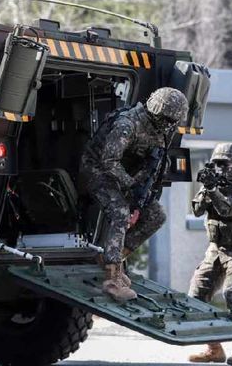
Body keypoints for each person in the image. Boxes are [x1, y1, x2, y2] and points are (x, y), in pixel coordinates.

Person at [79, 87, 188, 303]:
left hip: (124, 177)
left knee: (157, 214)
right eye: (168, 119)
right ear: (158, 114)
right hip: (96, 171)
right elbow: (108, 162)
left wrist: (141, 197)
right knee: (120, 212)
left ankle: (113, 258)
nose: (171, 124)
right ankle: (112, 280)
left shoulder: (160, 131)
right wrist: (131, 186)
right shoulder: (127, 124)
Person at [187, 143, 232, 366]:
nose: (219, 169)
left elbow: (227, 209)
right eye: (215, 164)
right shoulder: (214, 184)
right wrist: (207, 187)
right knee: (196, 296)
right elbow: (197, 209)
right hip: (215, 248)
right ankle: (214, 348)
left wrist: (212, 190)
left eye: (223, 164)